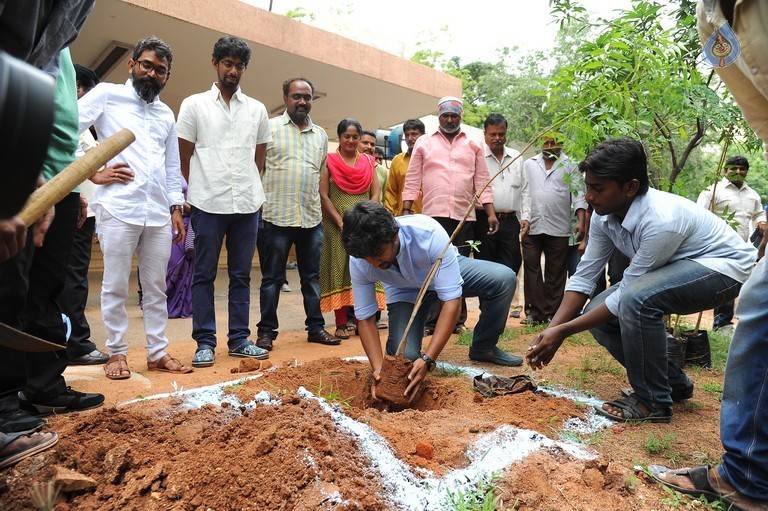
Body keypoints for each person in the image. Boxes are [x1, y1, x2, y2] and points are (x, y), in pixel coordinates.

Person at [525, 137, 755, 424]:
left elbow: (627, 296)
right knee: (599, 312)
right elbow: (585, 276)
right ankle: (673, 384)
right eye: (587, 187)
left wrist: (563, 333)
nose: (589, 197)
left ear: (630, 187)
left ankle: (653, 402)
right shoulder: (603, 215)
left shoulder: (660, 220)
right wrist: (553, 329)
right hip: (680, 267)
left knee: (635, 299)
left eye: (598, 189)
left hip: (723, 271)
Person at [649, 3, 768, 509]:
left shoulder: (663, 217)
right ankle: (750, 474)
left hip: (732, 259)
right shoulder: (711, 16)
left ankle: (749, 477)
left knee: (758, 309)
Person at [1, 48, 104, 433]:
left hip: (62, 184)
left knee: (47, 290)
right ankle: (5, 400)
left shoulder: (61, 43)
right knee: (9, 290)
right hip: (19, 171)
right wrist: (19, 170)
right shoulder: (27, 24)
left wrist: (73, 191)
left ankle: (44, 387)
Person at [78, 36, 192, 380]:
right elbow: (67, 130)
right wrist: (92, 172)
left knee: (156, 286)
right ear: (132, 65)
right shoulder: (107, 95)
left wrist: (176, 207)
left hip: (157, 212)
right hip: (118, 207)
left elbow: (172, 166)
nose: (152, 73)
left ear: (166, 76)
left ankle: (157, 352)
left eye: (161, 70)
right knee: (114, 285)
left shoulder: (165, 113)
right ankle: (117, 352)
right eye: (147, 65)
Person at [342, 201, 522, 398]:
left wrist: (428, 359)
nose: (374, 264)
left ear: (395, 236)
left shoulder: (428, 234)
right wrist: (378, 370)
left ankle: (483, 347)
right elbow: (366, 318)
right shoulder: (360, 259)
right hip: (404, 293)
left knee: (504, 280)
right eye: (367, 258)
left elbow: (452, 301)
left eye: (377, 255)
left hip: (440, 274)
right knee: (405, 362)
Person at [177, 36, 272, 368]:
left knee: (241, 275)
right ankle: (204, 342)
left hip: (247, 205)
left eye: (239, 65)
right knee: (203, 274)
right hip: (207, 203)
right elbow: (183, 157)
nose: (233, 70)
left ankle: (238, 340)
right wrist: (197, 190)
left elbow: (258, 159)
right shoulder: (194, 105)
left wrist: (246, 185)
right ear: (215, 63)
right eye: (228, 63)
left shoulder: (257, 109)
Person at [256, 78, 341, 350]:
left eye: (307, 97)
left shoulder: (320, 135)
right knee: (272, 278)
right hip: (276, 217)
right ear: (285, 97)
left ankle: (316, 328)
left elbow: (319, 174)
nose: (302, 101)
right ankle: (266, 332)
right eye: (296, 96)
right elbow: (256, 169)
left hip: (310, 217)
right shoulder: (269, 128)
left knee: (312, 278)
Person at [402, 97, 498, 336]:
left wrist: (491, 213)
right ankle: (432, 322)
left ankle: (457, 321)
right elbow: (412, 179)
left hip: (464, 217)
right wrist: (406, 210)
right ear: (439, 116)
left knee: (459, 268)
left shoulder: (473, 144)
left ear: (461, 116)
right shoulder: (424, 143)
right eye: (445, 115)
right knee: (432, 268)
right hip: (432, 217)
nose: (450, 119)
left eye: (454, 115)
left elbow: (482, 182)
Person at [62, 63, 109, 366]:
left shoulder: (78, 124)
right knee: (73, 278)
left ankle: (69, 339)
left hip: (82, 210)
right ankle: (76, 343)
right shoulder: (69, 122)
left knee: (72, 277)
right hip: (71, 206)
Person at [319, 118, 384, 339]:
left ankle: (361, 321)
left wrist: (367, 218)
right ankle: (340, 323)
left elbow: (375, 193)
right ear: (339, 137)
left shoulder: (368, 161)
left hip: (363, 225)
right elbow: (324, 195)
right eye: (346, 136)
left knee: (364, 269)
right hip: (336, 224)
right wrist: (340, 221)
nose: (351, 140)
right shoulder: (329, 161)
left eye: (355, 137)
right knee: (340, 268)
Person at [521, 135, 587, 324]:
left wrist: (581, 221)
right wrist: (523, 216)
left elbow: (579, 195)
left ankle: (552, 313)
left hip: (558, 226)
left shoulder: (570, 165)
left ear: (561, 143)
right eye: (546, 142)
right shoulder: (529, 164)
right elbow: (523, 192)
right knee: (531, 267)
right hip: (531, 225)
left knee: (556, 272)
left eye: (554, 143)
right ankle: (535, 313)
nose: (549, 146)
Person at [696, 154, 765, 332]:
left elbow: (758, 213)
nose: (738, 172)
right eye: (733, 168)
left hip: (741, 247)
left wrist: (761, 221)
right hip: (716, 247)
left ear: (747, 172)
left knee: (735, 282)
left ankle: (724, 323)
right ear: (725, 171)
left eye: (742, 169)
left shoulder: (753, 195)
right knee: (725, 281)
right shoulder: (712, 191)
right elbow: (698, 216)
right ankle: (722, 323)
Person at [474, 114, 530, 320]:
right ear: (485, 134)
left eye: (501, 134)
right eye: (493, 134)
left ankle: (500, 307)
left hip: (510, 221)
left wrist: (526, 216)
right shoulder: (477, 156)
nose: (497, 138)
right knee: (484, 265)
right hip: (483, 220)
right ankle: (486, 313)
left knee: (512, 263)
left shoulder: (517, 157)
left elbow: (525, 190)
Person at [165, 178, 194, 319]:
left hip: (192, 222)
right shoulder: (170, 170)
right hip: (172, 221)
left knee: (189, 266)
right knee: (172, 263)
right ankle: (163, 305)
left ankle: (183, 306)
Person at [383, 118, 425, 217]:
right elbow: (391, 191)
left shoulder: (431, 160)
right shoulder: (397, 160)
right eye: (407, 135)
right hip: (402, 217)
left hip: (426, 218)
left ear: (423, 136)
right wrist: (393, 213)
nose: (410, 138)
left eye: (414, 134)